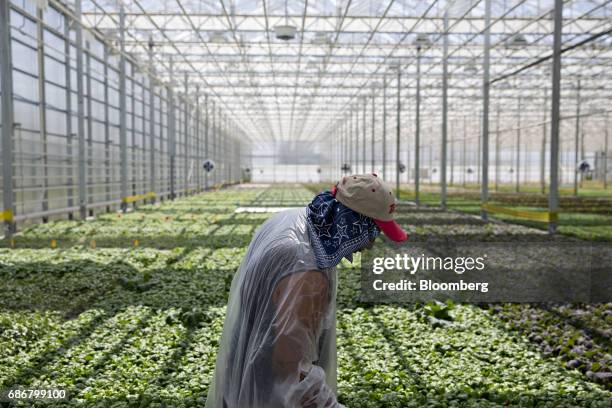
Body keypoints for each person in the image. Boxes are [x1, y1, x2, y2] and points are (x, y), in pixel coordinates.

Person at [206, 174, 408, 408]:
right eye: (373, 230)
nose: (372, 242)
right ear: (352, 222)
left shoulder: (293, 221)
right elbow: (289, 365)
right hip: (268, 395)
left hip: (240, 376)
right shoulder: (307, 272)